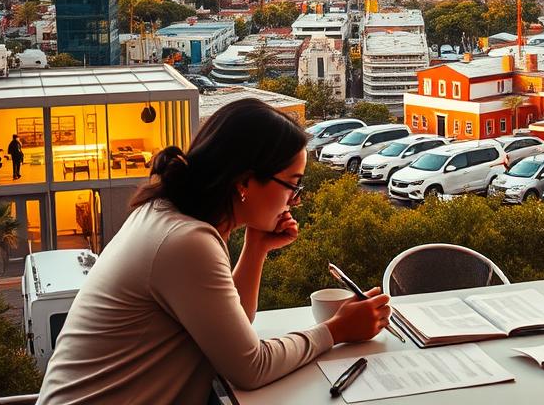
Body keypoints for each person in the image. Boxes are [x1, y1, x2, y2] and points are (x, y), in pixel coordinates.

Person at [38, 98, 390, 404]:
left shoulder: (164, 214)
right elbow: (251, 367)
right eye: (292, 185)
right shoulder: (186, 242)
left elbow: (232, 328)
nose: (295, 200)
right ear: (244, 182)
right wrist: (336, 330)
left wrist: (255, 247)